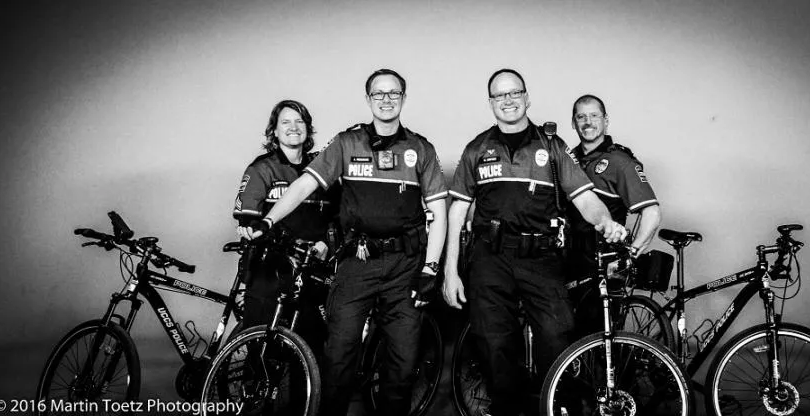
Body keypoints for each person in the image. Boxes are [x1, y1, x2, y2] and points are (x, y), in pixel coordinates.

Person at [245, 69, 448, 416]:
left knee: (401, 366)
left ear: (403, 98)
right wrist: (268, 219)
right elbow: (304, 186)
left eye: (393, 93)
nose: (386, 99)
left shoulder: (421, 148)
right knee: (338, 359)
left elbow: (440, 211)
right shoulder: (346, 142)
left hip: (405, 266)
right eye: (378, 93)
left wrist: (430, 268)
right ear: (368, 99)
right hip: (357, 264)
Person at [442, 69, 627, 416]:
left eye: (515, 93)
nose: (508, 100)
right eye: (500, 95)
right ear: (491, 103)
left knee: (558, 339)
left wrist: (606, 222)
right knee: (495, 346)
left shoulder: (552, 146)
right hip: (490, 259)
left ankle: (558, 407)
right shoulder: (477, 148)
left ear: (527, 98)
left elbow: (585, 199)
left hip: (541, 258)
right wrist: (450, 270)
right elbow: (457, 212)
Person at [233, 99, 338, 350]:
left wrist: (327, 242)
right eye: (286, 122)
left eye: (300, 121)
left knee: (312, 349)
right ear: (275, 131)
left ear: (308, 129)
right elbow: (248, 217)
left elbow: (338, 215)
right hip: (269, 271)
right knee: (261, 352)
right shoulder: (262, 168)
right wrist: (249, 228)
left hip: (313, 271)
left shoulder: (322, 170)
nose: (293, 127)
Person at [566, 94, 662, 335]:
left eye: (594, 116)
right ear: (573, 123)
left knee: (599, 343)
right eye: (581, 117)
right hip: (567, 263)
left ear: (606, 121)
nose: (588, 122)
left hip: (603, 265)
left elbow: (651, 213)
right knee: (566, 339)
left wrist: (630, 256)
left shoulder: (620, 161)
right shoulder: (568, 160)